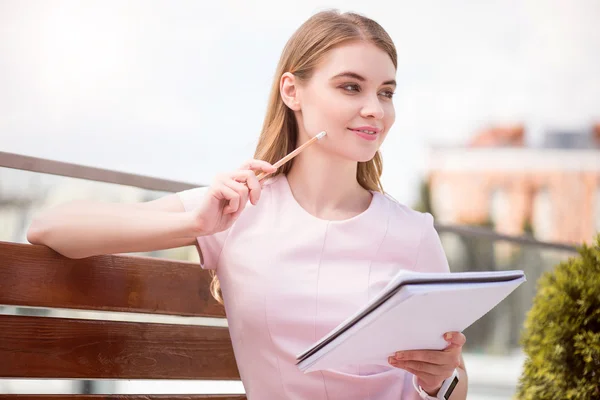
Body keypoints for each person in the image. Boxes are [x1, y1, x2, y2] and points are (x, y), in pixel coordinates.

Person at [27, 9, 468, 400]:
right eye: (351, 87)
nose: (375, 109)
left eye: (386, 92)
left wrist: (439, 381)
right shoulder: (238, 206)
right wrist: (192, 224)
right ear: (292, 92)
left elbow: (454, 384)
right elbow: (50, 227)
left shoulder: (415, 234)